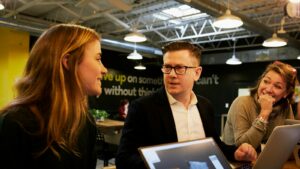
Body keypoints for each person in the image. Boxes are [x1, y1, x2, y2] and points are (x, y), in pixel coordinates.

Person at [115, 41, 257, 169]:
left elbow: (214, 146)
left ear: (197, 73)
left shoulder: (205, 106)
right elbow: (123, 159)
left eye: (179, 68)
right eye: (167, 67)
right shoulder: (142, 107)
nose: (172, 74)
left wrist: (235, 153)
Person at [0, 24, 108, 169]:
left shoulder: (85, 122)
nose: (104, 70)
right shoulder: (15, 123)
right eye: (98, 59)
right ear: (68, 61)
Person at [223, 61, 297, 150]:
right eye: (266, 81)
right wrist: (264, 113)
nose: (269, 89)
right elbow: (242, 148)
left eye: (277, 86)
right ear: (260, 81)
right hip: (235, 162)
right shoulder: (242, 103)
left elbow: (291, 145)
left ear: (286, 93)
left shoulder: (286, 107)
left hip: (267, 160)